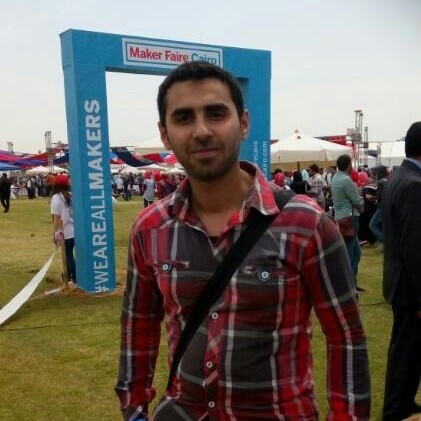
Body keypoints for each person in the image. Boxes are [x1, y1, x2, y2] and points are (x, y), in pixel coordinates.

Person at [115, 61, 370, 421]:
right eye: (184, 118)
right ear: (165, 133)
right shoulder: (150, 229)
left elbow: (346, 336)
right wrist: (134, 408)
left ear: (244, 123)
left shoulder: (306, 224)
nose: (202, 130)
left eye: (216, 113)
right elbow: (138, 326)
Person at [382, 122, 421, 421]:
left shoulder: (398, 178)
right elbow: (415, 247)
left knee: (408, 351)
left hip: (400, 282)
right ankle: (396, 408)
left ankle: (403, 402)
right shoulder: (414, 184)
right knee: (406, 352)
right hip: (409, 286)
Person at [330, 154, 363, 288]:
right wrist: (361, 206)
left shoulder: (335, 178)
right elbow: (356, 200)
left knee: (355, 252)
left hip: (340, 217)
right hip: (349, 218)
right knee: (351, 254)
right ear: (349, 165)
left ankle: (351, 282)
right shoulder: (346, 180)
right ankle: (348, 283)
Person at [50, 174, 76, 286]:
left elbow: (56, 217)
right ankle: (67, 275)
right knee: (69, 254)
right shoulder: (71, 195)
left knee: (68, 255)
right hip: (75, 229)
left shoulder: (56, 198)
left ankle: (75, 276)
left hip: (65, 231)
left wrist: (55, 233)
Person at [368, 165, 388, 252]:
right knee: (383, 226)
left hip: (381, 207)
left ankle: (384, 241)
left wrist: (371, 197)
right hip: (387, 207)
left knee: (372, 225)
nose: (374, 174)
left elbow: (379, 196)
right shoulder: (387, 180)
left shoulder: (380, 182)